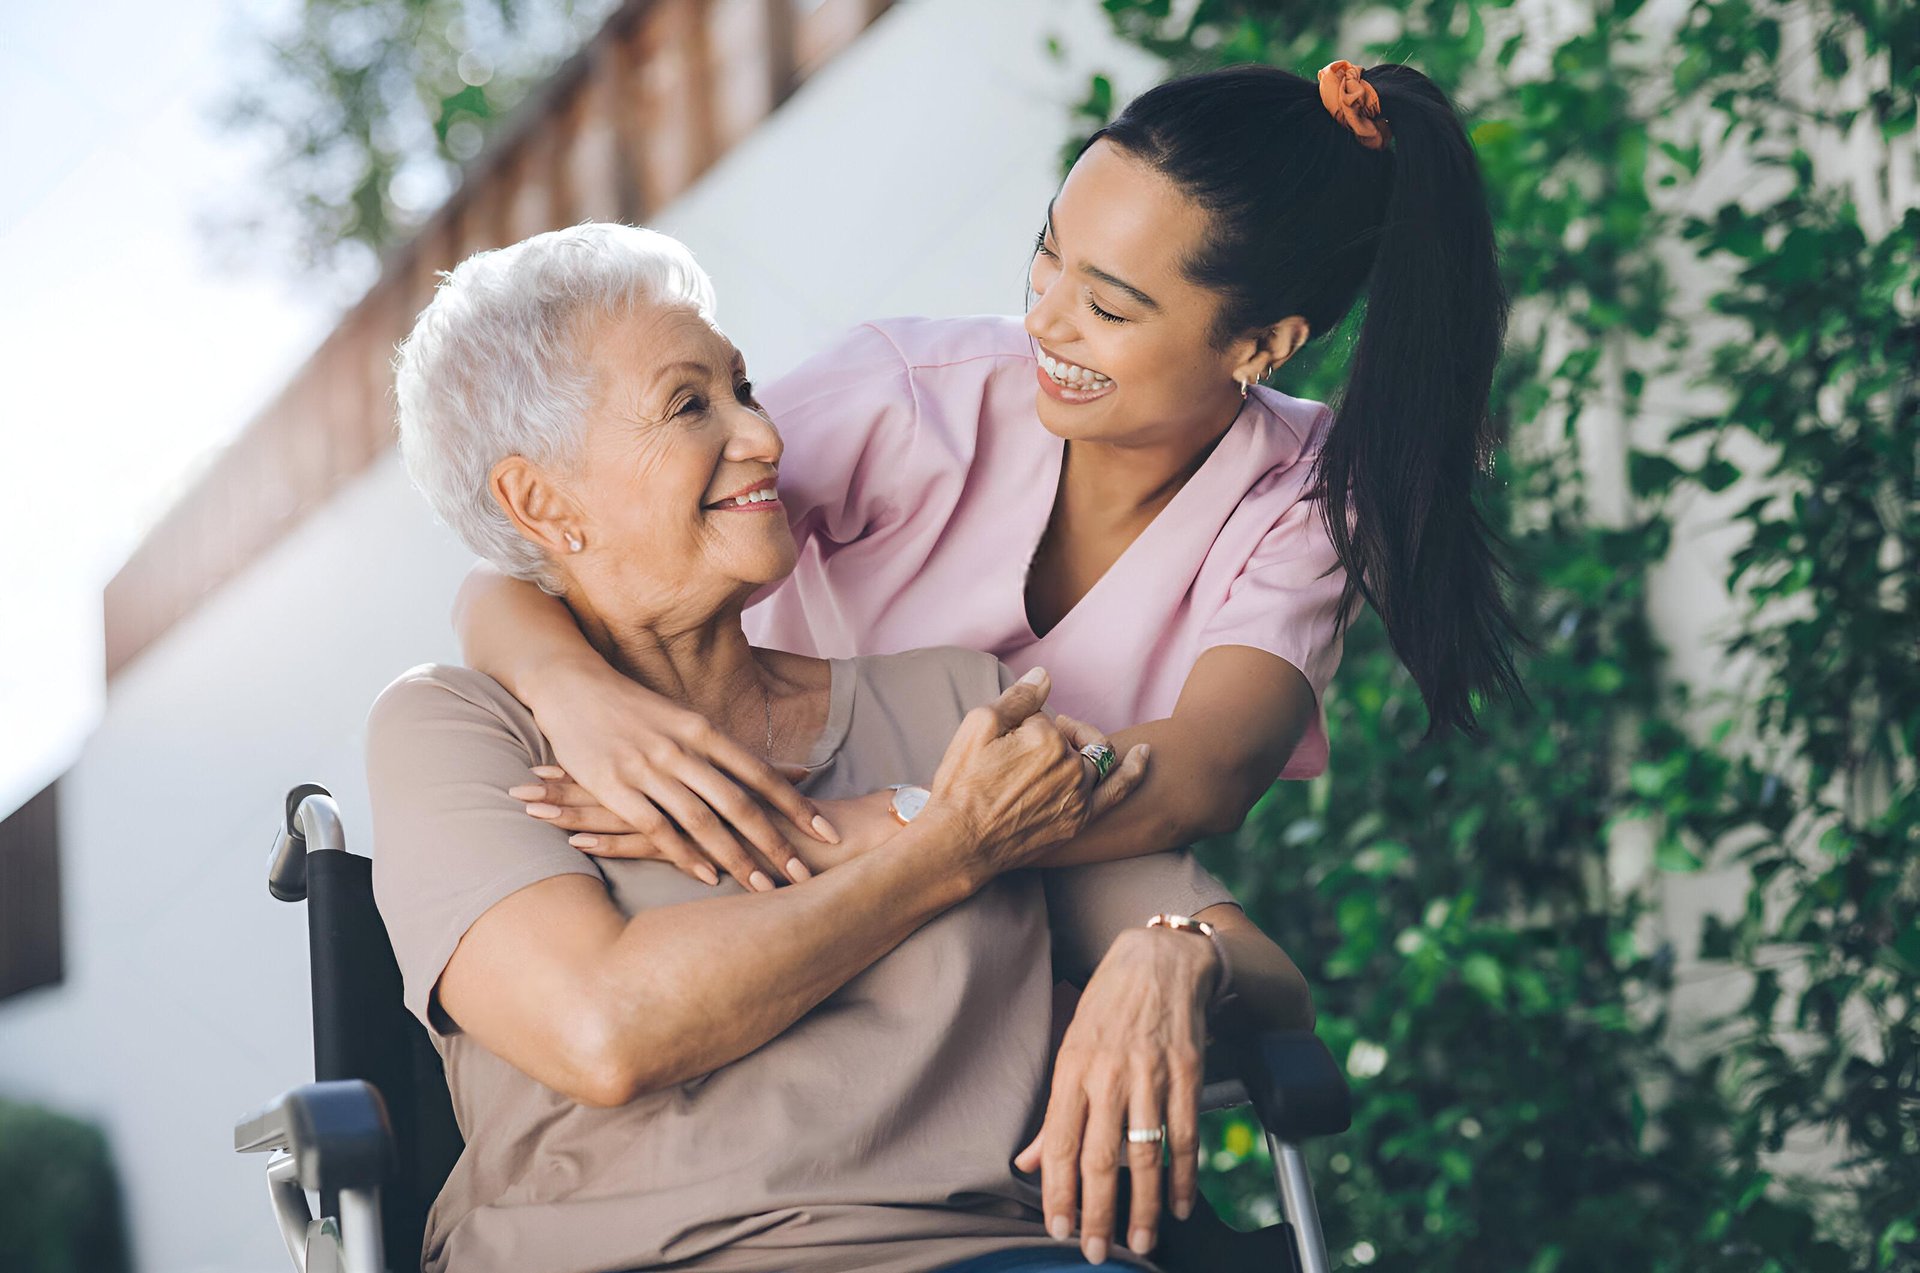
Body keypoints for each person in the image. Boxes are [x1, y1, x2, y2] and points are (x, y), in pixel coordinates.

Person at [368, 221, 1314, 1273]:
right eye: (690, 406)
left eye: (746, 391)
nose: (764, 437)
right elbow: (605, 1028)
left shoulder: (962, 703)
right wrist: (945, 849)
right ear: (542, 501)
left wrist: (1175, 951)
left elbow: (1266, 973)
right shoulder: (460, 733)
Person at [454, 60, 1522, 890]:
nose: (1045, 320)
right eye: (1046, 252)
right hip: (722, 857)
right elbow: (539, 568)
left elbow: (1206, 767)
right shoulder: (908, 393)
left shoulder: (1298, 497)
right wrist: (577, 694)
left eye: (1107, 307)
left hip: (986, 907)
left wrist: (876, 836)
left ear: (1259, 346)